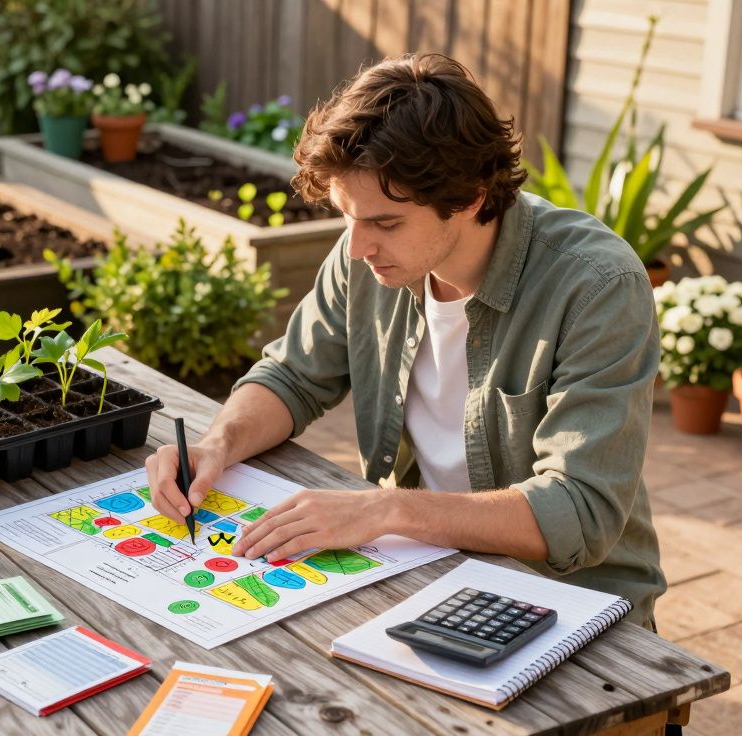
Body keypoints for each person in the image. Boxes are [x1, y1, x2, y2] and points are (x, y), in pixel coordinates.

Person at [145, 53, 666, 628]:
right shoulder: (369, 256)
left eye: (385, 223)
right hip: (425, 570)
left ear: (468, 197)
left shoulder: (597, 286)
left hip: (572, 605)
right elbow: (291, 376)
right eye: (348, 217)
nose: (355, 248)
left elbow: (581, 510)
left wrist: (388, 508)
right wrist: (218, 445)